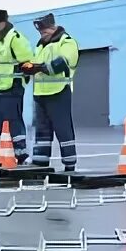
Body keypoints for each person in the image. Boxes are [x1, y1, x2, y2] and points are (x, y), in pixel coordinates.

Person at [22, 13, 79, 171]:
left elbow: (64, 62)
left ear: (53, 27)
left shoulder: (67, 42)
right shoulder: (40, 45)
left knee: (63, 129)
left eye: (45, 31)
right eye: (40, 33)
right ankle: (40, 162)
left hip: (59, 92)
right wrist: (27, 68)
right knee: (42, 131)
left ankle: (69, 165)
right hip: (41, 94)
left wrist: (41, 67)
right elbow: (34, 64)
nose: (42, 35)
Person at [0, 9, 32, 164]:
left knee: (13, 120)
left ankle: (21, 154)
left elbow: (26, 60)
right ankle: (0, 153)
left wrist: (23, 74)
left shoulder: (14, 38)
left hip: (12, 86)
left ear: (2, 23)